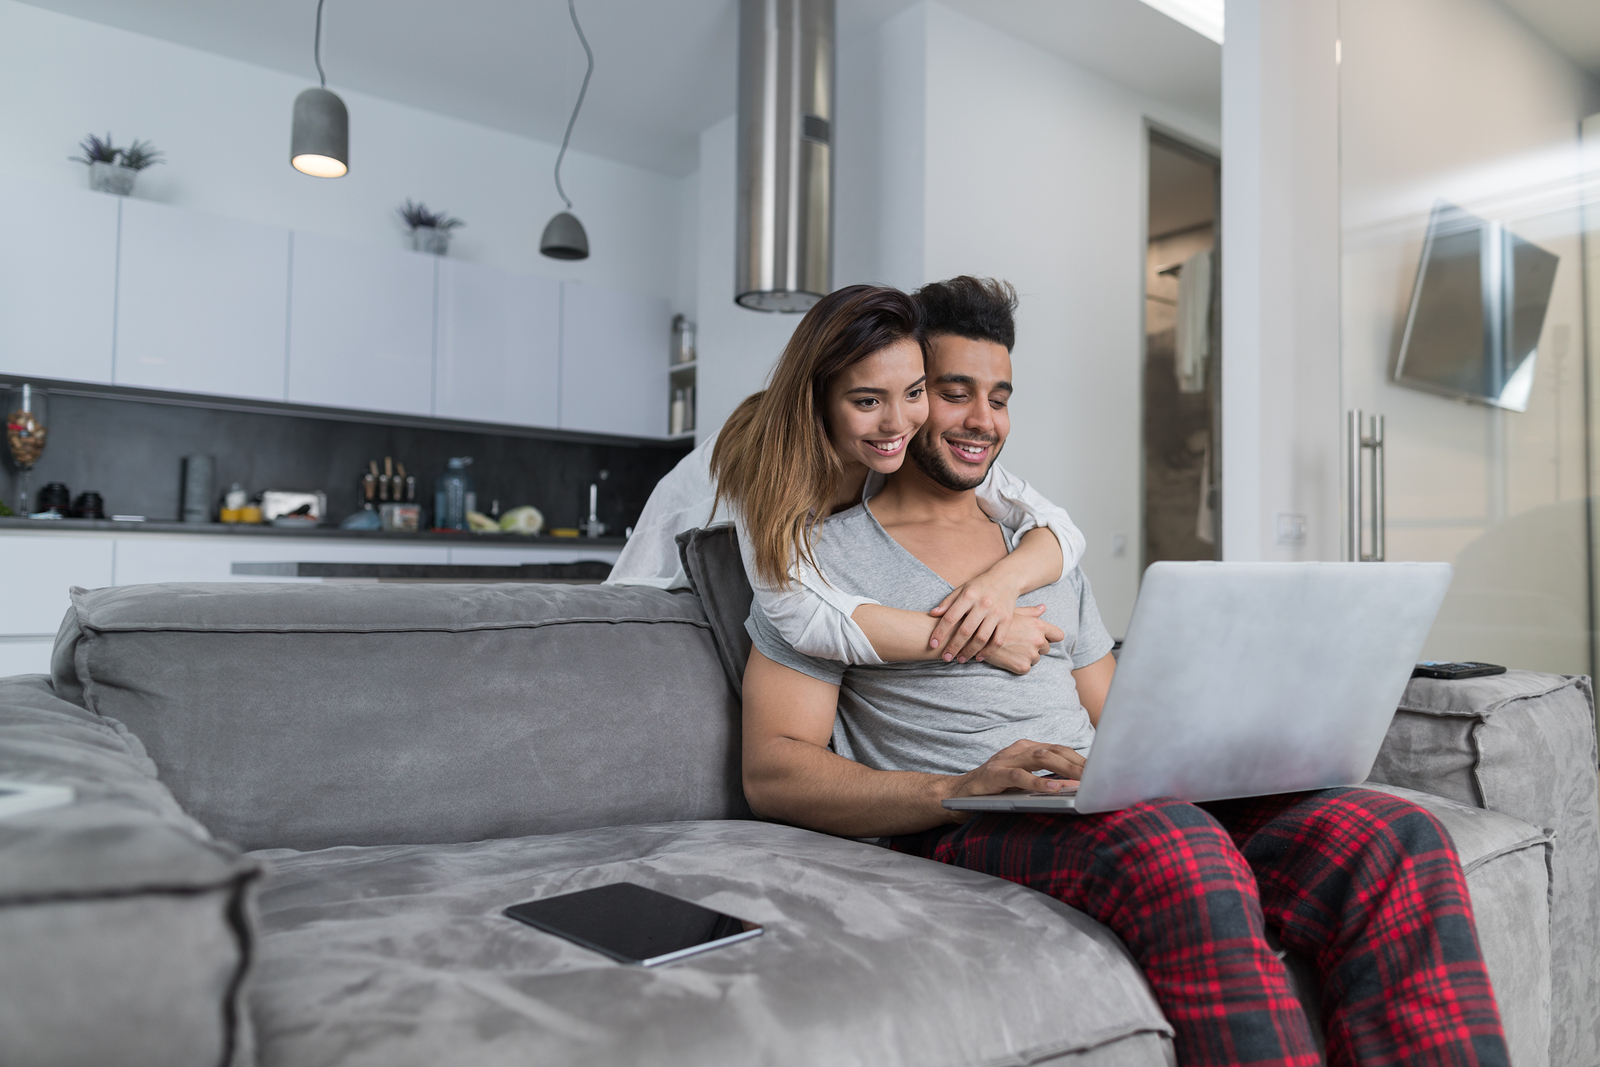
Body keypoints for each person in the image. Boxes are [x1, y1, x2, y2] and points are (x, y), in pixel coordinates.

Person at [739, 276, 1509, 1067]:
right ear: (905, 394)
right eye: (953, 392)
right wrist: (953, 790)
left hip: (1100, 799)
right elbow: (773, 772)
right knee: (1170, 842)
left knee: (1391, 835)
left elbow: (1113, 706)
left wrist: (1230, 750)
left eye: (1000, 397)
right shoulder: (820, 563)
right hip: (974, 822)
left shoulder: (1041, 547)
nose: (982, 421)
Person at [609, 283, 1086, 673]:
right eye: (866, 402)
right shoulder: (772, 454)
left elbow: (1056, 527)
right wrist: (983, 637)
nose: (898, 423)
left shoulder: (917, 440)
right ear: (819, 401)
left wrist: (997, 587)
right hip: (657, 596)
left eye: (915, 392)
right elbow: (799, 615)